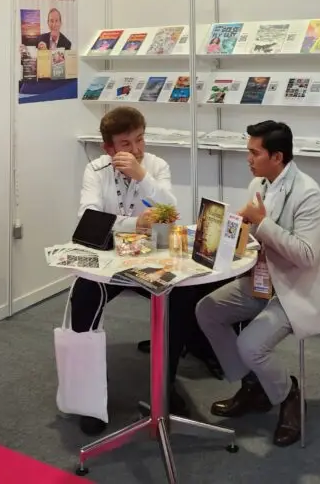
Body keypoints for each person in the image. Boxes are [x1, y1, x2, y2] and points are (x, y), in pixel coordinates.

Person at [196, 120, 320, 447]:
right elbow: (254, 238)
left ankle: (289, 396)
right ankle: (253, 386)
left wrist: (261, 224)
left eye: (254, 152)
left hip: (296, 288)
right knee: (207, 310)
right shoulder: (259, 184)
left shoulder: (308, 193)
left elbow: (305, 255)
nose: (248, 158)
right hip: (262, 281)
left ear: (277, 157)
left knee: (250, 344)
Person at [71, 106, 207, 434]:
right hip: (113, 259)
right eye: (125, 144)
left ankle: (166, 384)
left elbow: (170, 212)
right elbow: (87, 219)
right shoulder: (96, 169)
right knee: (83, 297)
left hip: (153, 255)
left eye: (140, 140)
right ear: (108, 148)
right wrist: (134, 223)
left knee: (180, 299)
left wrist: (142, 177)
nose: (135, 150)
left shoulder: (157, 166)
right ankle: (88, 393)